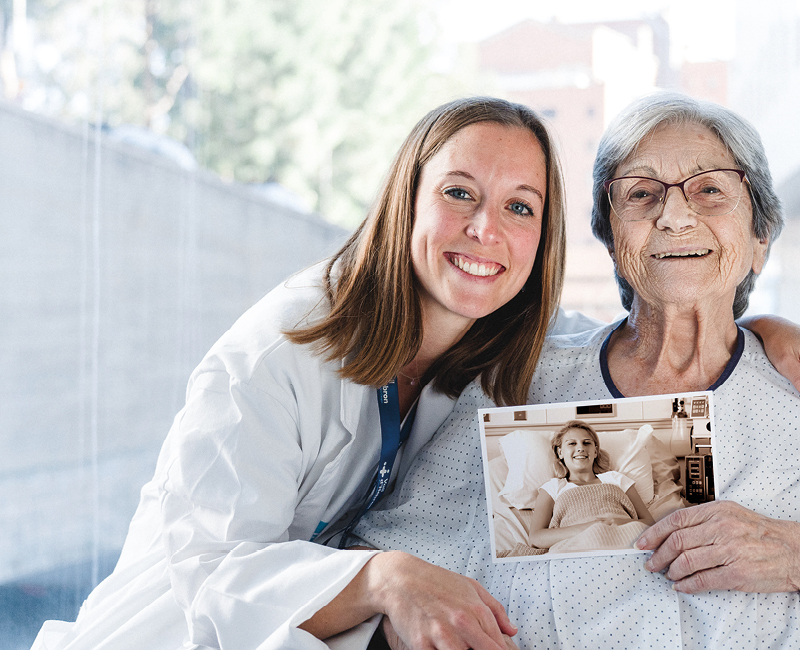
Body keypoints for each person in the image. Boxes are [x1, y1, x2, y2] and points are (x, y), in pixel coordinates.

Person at [32, 96, 586, 650]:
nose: (486, 229)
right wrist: (384, 579)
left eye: (520, 208)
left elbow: (639, 362)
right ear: (406, 201)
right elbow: (208, 579)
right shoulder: (276, 353)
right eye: (459, 193)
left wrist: (676, 511)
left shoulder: (510, 347)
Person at [353, 92, 800, 649]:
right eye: (641, 193)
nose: (675, 215)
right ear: (611, 240)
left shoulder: (793, 391)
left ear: (761, 238)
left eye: (710, 189)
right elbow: (387, 569)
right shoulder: (518, 384)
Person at [527, 420, 654, 553]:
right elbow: (536, 538)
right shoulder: (552, 487)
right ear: (560, 453)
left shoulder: (616, 479)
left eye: (587, 443)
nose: (580, 448)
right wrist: (592, 527)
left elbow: (650, 523)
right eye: (572, 443)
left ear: (595, 451)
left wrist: (617, 522)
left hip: (624, 538)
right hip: (577, 547)